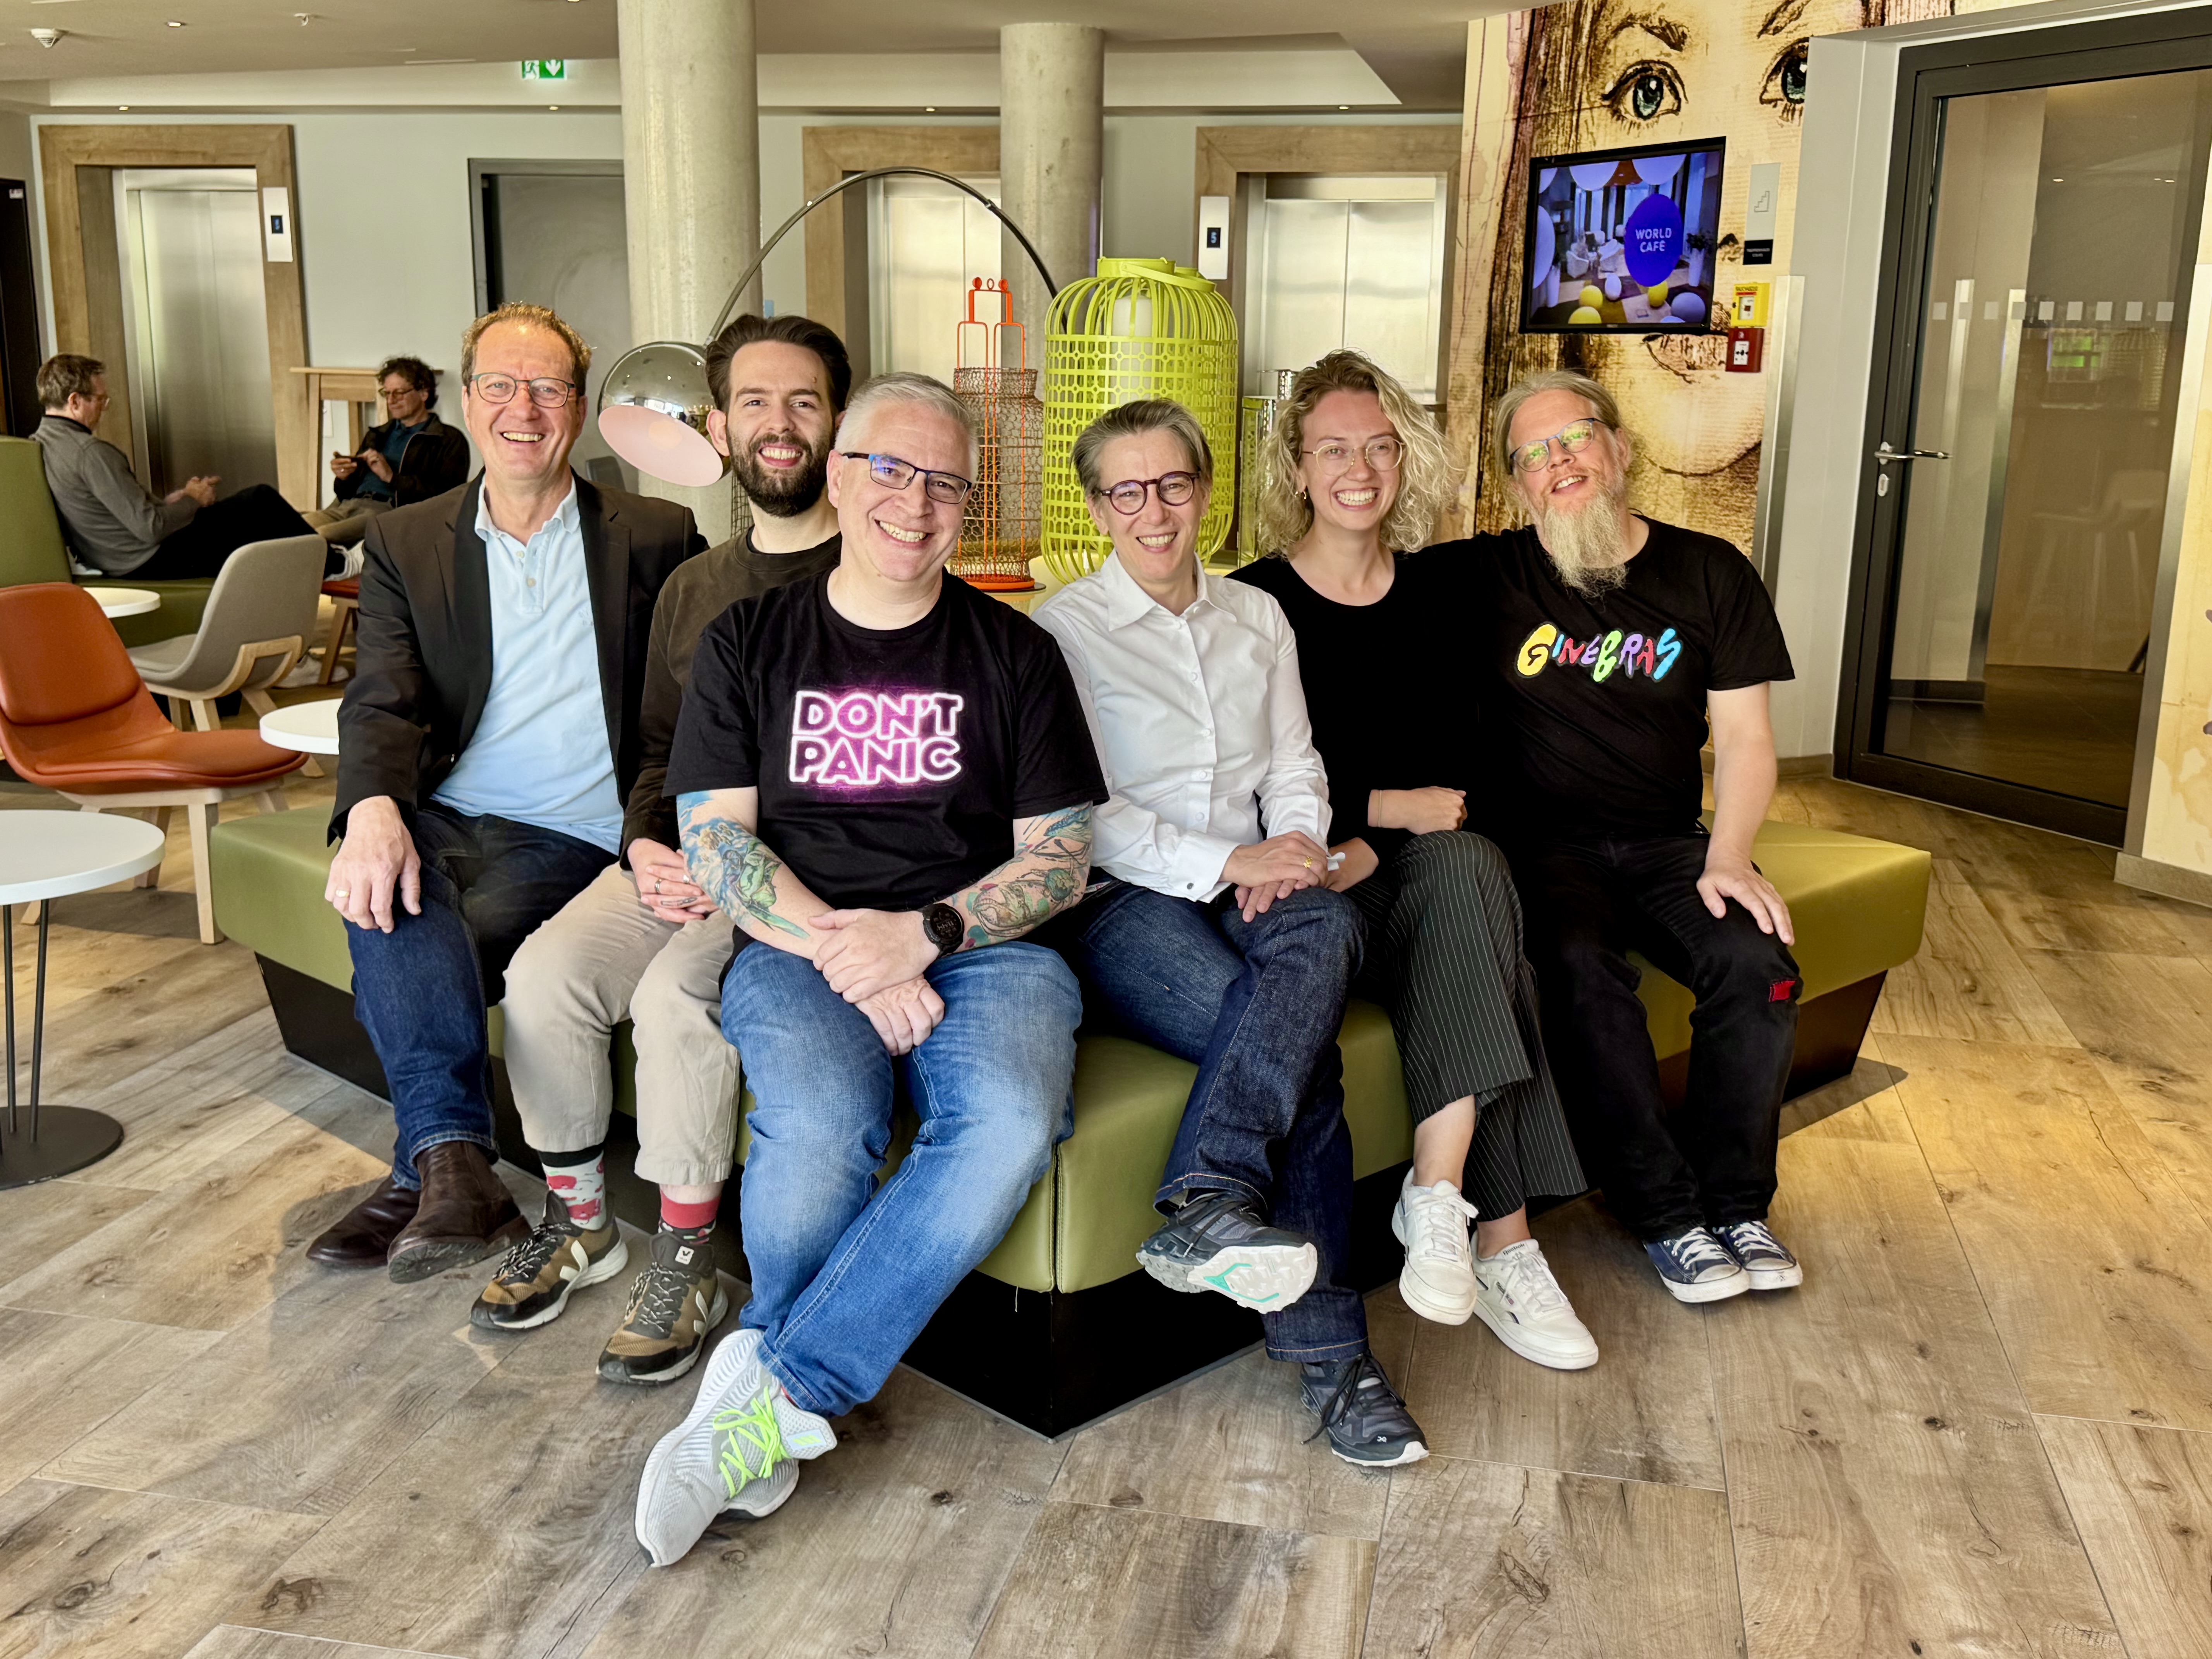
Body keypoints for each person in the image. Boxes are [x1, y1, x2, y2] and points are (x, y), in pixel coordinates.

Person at [631, 372, 1104, 1563]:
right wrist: (857, 951)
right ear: (839, 479)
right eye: (891, 469)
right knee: (817, 1118)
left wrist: (925, 934)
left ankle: (774, 1389)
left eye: (946, 481)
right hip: (801, 941)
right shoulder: (750, 639)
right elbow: (716, 840)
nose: (917, 501)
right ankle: (775, 1406)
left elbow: (1060, 859)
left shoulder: (1016, 652)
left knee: (1006, 1122)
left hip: (983, 948)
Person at [1034, 399, 1429, 1467]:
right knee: (1299, 1056)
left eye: (1174, 484)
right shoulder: (1062, 632)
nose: (1154, 511)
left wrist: (1294, 848)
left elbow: (1296, 761)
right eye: (1127, 491)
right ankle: (1335, 1359)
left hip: (1261, 878)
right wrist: (1227, 862)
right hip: (1122, 900)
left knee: (1327, 922)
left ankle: (1210, 1198)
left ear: (1206, 492)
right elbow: (1083, 813)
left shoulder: (1257, 617)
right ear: (1097, 507)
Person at [472, 313, 853, 1386]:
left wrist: (737, 868)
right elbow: (655, 749)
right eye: (755, 403)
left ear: (837, 424)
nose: (780, 425)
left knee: (674, 1000)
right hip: (675, 855)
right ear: (719, 428)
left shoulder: (873, 573)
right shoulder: (693, 584)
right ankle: (583, 1221)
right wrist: (645, 845)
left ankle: (689, 1258)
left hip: (788, 877)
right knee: (546, 973)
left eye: (805, 402)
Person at [304, 302, 703, 1282]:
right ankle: (456, 1171)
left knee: (418, 948)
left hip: (573, 833)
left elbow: (696, 703)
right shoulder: (407, 539)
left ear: (580, 406)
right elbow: (382, 695)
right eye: (500, 385)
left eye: (548, 388)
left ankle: (429, 1172)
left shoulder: (658, 535)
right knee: (380, 886)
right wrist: (372, 810)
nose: (523, 409)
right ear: (469, 399)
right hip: (447, 813)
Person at [1232, 351, 1597, 1371]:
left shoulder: (1445, 591)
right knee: (1496, 952)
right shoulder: (1252, 603)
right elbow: (1233, 776)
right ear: (1297, 467)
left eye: (1380, 446)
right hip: (1313, 884)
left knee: (1471, 870)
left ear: (1406, 458)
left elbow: (1471, 770)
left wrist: (1380, 835)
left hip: (1419, 872)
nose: (1359, 469)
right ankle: (1503, 1241)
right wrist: (1378, 812)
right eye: (1333, 449)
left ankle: (1441, 1197)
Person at [1465, 367, 1802, 1305]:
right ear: (1516, 485)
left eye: (1575, 436)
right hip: (1543, 853)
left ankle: (1738, 1205)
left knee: (1758, 963)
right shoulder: (1486, 576)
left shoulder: (1711, 572)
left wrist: (1729, 856)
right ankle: (1665, 1215)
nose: (1559, 461)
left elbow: (1745, 739)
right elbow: (1353, 582)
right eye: (1533, 454)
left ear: (1619, 446)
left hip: (1669, 843)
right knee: (1580, 973)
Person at [31, 353, 323, 580]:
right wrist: (194, 501)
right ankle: (332, 564)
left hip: (115, 559)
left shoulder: (38, 445)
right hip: (149, 561)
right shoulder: (90, 453)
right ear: (75, 402)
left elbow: (114, 509)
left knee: (246, 523)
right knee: (260, 502)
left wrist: (174, 502)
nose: (104, 409)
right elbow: (151, 529)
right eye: (101, 400)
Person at [303, 356, 469, 555]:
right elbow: (345, 493)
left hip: (388, 512)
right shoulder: (379, 434)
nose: (391, 401)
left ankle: (344, 565)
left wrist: (391, 477)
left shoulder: (447, 439)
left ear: (424, 393)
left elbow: (447, 500)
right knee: (292, 529)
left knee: (319, 537)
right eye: (387, 393)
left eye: (399, 393)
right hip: (348, 505)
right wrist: (344, 477)